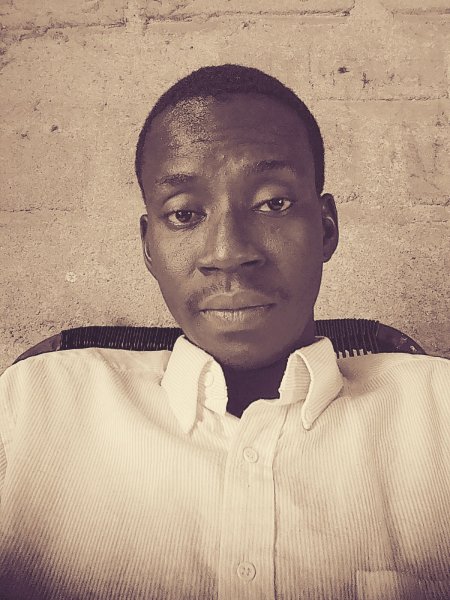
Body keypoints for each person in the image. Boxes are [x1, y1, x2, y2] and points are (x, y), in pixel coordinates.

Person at [0, 64, 448, 600]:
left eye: (274, 203)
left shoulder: (438, 411)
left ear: (326, 228)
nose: (228, 252)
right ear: (148, 247)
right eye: (184, 214)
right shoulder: (30, 408)